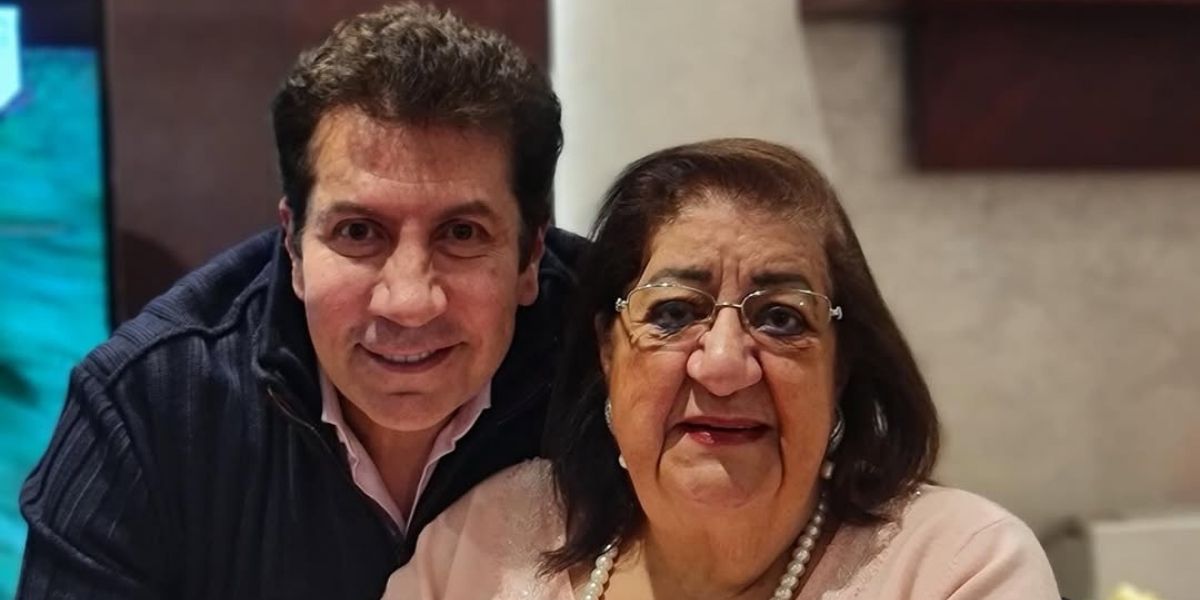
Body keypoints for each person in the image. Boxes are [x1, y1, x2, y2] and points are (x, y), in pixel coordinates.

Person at [17, 4, 584, 599]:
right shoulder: (145, 404)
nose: (409, 302)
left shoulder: (612, 357)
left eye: (462, 234)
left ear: (530, 255)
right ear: (292, 245)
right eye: (358, 232)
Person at [383, 139, 1061, 599]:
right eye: (675, 313)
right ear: (608, 351)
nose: (725, 366)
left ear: (840, 366)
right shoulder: (484, 546)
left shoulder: (956, 567)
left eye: (781, 319)